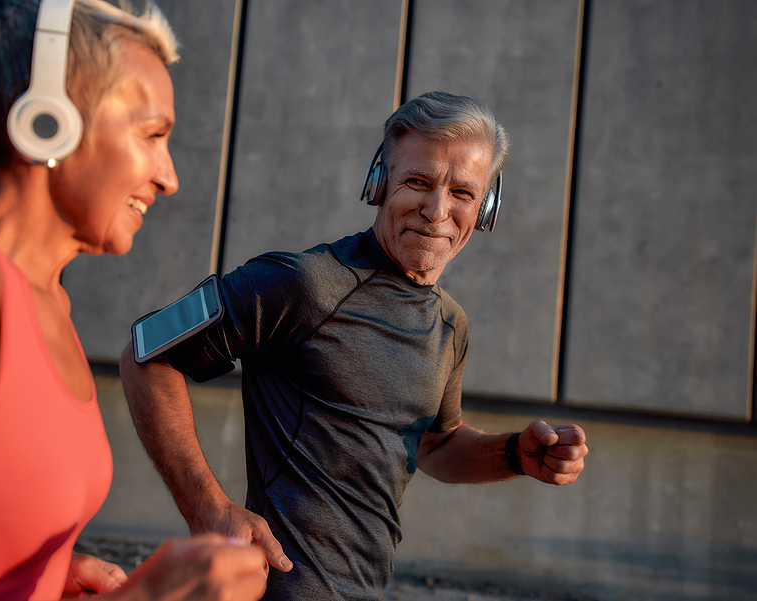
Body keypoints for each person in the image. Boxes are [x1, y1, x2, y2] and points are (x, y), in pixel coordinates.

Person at [0, 0, 267, 599]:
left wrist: (42, 574)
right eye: (152, 134)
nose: (169, 176)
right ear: (50, 120)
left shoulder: (49, 304)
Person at [119, 91, 590, 601]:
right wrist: (206, 506)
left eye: (463, 193)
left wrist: (514, 455)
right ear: (378, 183)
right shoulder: (302, 284)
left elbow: (434, 445)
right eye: (418, 182)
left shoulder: (451, 326)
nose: (437, 210)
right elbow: (149, 354)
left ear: (487, 206)